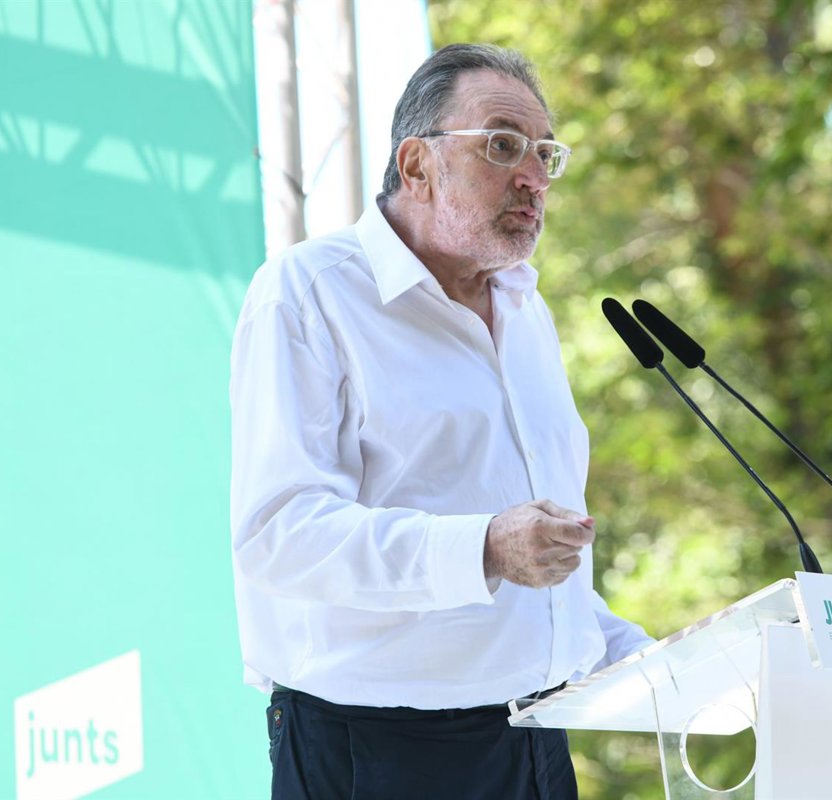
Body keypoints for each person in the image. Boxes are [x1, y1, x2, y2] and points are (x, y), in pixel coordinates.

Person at [229, 43, 653, 799]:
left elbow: (535, 566)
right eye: (503, 146)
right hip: (377, 752)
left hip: (536, 739)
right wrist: (483, 547)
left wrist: (659, 662)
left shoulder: (524, 307)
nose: (533, 178)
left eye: (545, 154)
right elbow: (279, 534)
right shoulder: (309, 293)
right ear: (417, 164)